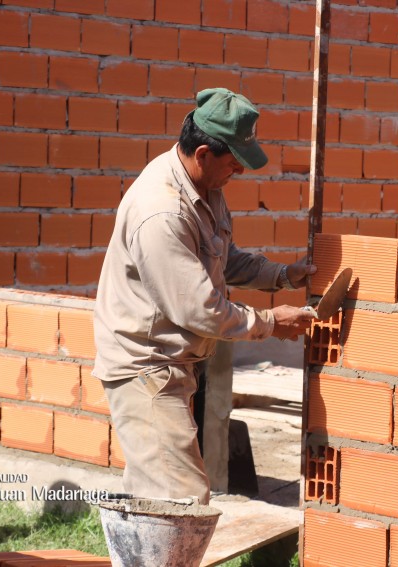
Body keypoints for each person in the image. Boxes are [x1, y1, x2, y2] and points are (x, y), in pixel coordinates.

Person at [92, 88, 316, 505]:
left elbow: (222, 259)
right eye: (234, 163)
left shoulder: (204, 185)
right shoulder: (163, 211)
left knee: (159, 498)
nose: (240, 173)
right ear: (202, 153)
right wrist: (270, 322)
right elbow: (201, 309)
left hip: (172, 364)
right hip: (146, 368)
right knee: (182, 499)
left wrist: (282, 275)